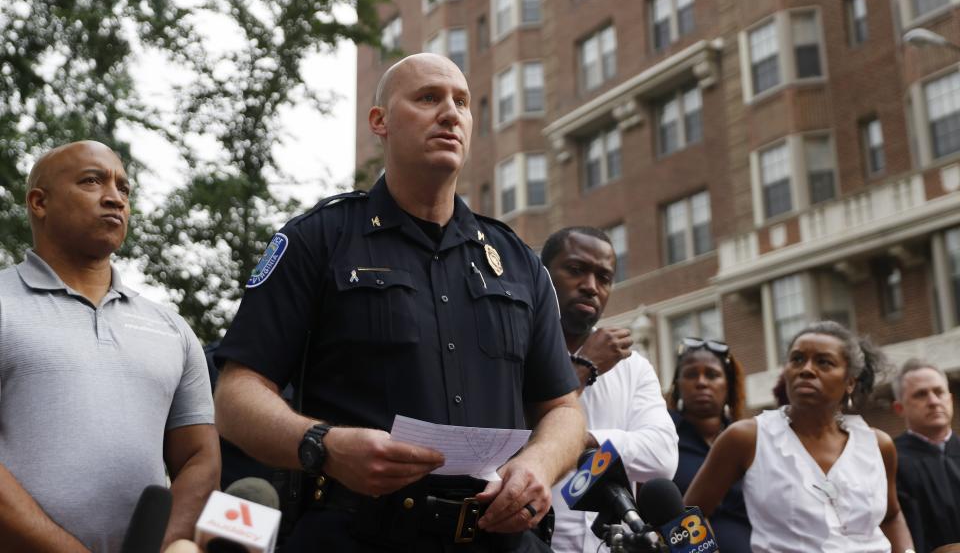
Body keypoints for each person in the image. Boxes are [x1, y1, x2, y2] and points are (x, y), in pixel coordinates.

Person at [214, 53, 586, 552]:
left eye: (462, 102)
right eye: (428, 98)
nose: (450, 113)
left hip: (500, 539)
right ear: (380, 121)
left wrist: (539, 463)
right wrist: (323, 445)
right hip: (358, 534)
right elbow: (235, 396)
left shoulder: (518, 261)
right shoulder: (319, 240)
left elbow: (564, 408)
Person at [0, 141, 219, 552]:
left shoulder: (171, 328)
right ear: (39, 202)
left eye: (124, 188)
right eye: (91, 181)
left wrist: (163, 545)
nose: (114, 197)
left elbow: (198, 459)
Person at [684, 320, 913, 553]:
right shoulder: (746, 438)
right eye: (797, 359)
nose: (807, 369)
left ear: (850, 382)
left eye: (824, 362)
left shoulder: (878, 445)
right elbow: (687, 517)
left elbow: (892, 516)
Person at [540, 227, 677, 553]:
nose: (591, 286)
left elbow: (662, 457)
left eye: (604, 277)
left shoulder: (634, 367)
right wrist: (585, 367)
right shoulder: (515, 354)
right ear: (541, 275)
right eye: (576, 270)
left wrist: (583, 441)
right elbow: (513, 438)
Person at [667, 337, 751, 552]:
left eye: (712, 375)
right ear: (677, 385)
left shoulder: (749, 441)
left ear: (729, 385)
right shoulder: (663, 437)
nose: (702, 382)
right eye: (691, 374)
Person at [892, 359, 960, 552]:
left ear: (950, 398)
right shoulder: (889, 461)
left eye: (939, 392)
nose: (933, 401)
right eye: (920, 394)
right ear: (899, 408)